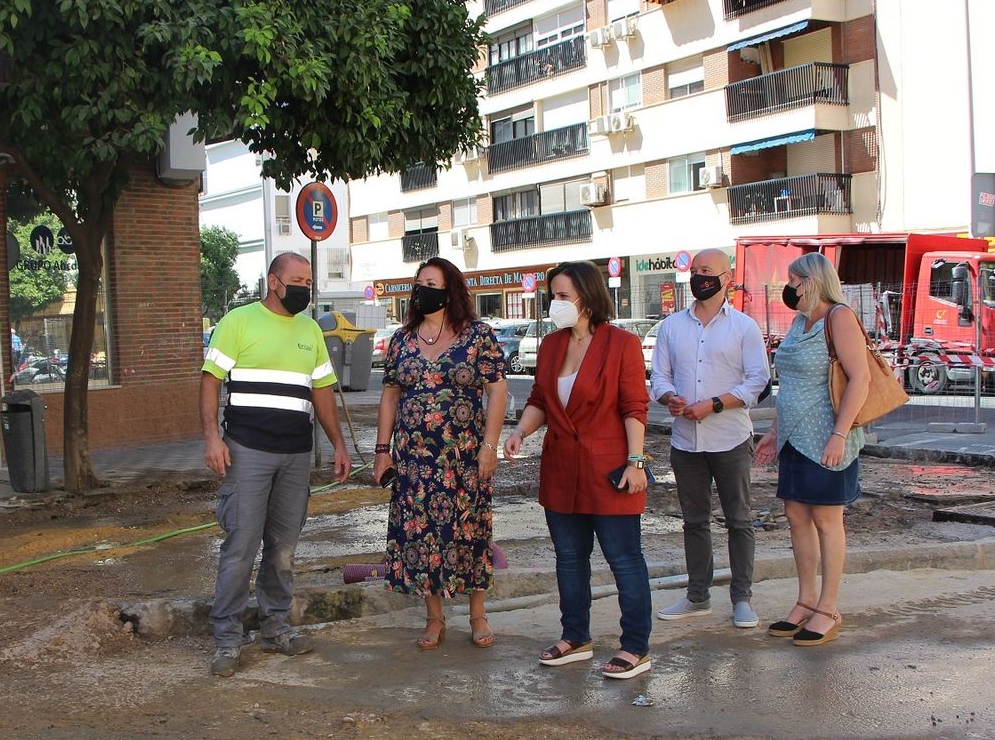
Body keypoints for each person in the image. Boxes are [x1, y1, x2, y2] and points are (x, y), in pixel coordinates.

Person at [200, 252, 351, 678]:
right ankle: (227, 640)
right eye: (297, 279)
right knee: (241, 547)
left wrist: (339, 444)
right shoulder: (239, 322)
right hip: (246, 450)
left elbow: (321, 391)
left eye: (309, 278)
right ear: (273, 282)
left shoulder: (310, 330)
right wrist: (213, 438)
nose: (304, 286)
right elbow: (210, 381)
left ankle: (276, 627)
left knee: (283, 549)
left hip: (296, 453)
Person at [504, 261, 654, 679]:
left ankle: (636, 646)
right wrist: (520, 432)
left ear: (586, 299)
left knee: (624, 560)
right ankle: (576, 636)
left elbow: (633, 406)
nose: (555, 303)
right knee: (569, 559)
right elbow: (539, 398)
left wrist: (636, 460)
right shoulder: (552, 345)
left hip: (610, 469)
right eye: (552, 295)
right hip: (561, 469)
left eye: (562, 296)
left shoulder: (620, 343)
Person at [373, 258, 509, 649]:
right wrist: (383, 452)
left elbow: (497, 392)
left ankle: (477, 615)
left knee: (469, 532)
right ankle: (434, 619)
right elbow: (390, 395)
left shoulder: (478, 336)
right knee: (423, 536)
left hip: (465, 456)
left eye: (430, 283)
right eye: (418, 283)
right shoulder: (402, 339)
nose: (421, 290)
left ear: (449, 291)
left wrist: (489, 447)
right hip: (414, 459)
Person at [752, 253, 871, 647]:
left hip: (827, 439)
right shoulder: (801, 322)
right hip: (794, 438)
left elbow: (859, 378)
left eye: (793, 280)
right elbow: (792, 387)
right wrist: (773, 431)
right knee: (797, 517)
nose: (789, 288)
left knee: (826, 519)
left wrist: (839, 434)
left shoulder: (839, 317)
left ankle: (828, 606)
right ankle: (804, 601)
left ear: (812, 280)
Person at [650, 248, 771, 628]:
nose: (699, 276)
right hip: (686, 441)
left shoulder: (743, 327)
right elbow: (660, 377)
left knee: (739, 519)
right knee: (694, 521)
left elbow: (758, 380)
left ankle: (742, 598)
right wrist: (670, 398)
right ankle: (697, 596)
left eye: (708, 270)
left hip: (730, 438)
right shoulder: (671, 326)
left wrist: (714, 404)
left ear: (726, 278)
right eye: (695, 269)